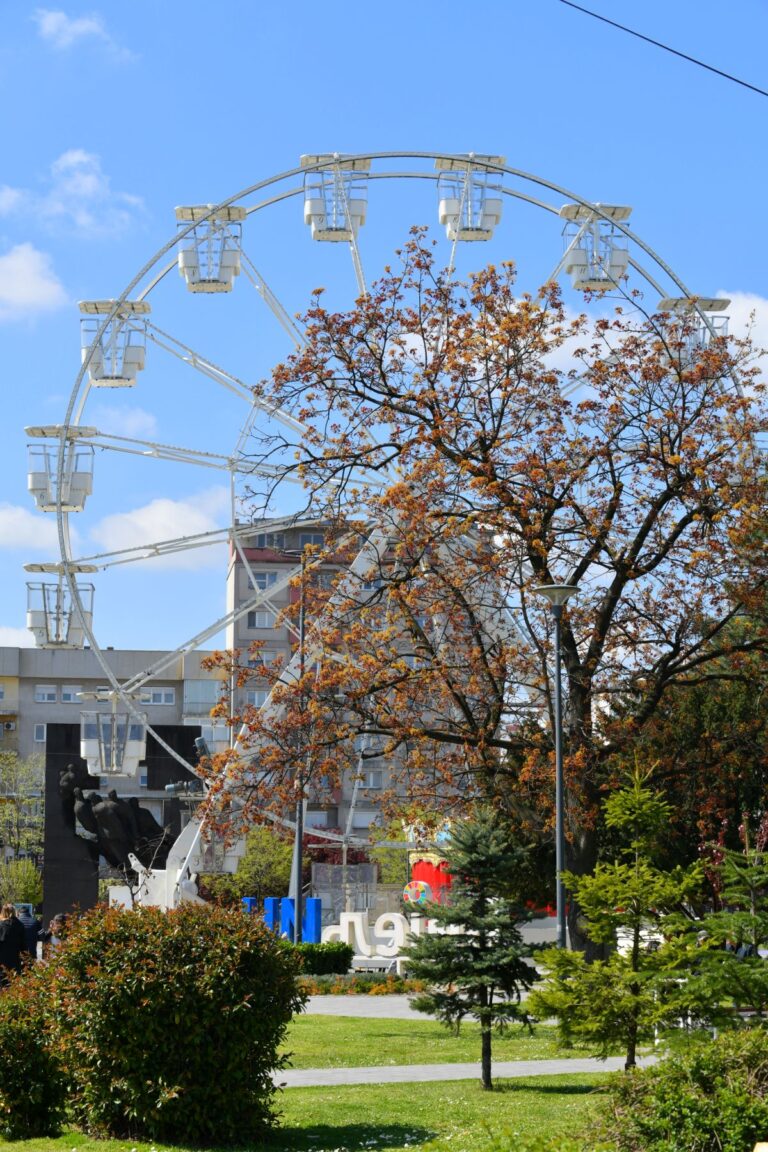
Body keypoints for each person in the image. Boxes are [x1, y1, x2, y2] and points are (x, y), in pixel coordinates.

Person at [0, 903, 26, 986]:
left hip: (2, 960)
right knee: (13, 984)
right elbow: (24, 945)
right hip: (15, 959)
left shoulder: (1, 925)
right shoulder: (20, 925)